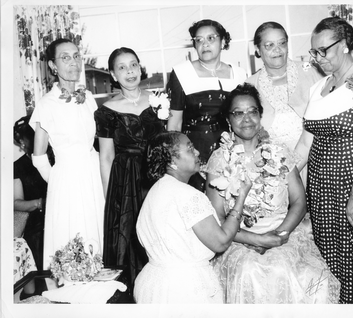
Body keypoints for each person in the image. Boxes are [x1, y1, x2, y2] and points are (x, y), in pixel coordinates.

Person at [205, 83, 340, 304]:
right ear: (228, 120)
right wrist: (257, 239)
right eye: (238, 113)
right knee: (249, 271)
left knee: (283, 269)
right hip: (238, 241)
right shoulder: (219, 160)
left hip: (283, 236)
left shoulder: (280, 152)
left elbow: (299, 202)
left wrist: (279, 236)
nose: (246, 118)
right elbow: (217, 219)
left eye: (252, 111)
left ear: (260, 116)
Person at [295, 17, 353, 304]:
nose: (318, 57)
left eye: (324, 50)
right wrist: (278, 177)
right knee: (331, 260)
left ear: (346, 44)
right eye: (314, 52)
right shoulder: (319, 87)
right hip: (323, 192)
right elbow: (304, 143)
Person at [134, 131, 252, 303]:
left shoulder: (156, 190)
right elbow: (221, 241)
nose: (197, 152)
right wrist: (240, 199)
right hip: (184, 289)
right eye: (190, 149)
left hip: (153, 283)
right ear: (172, 160)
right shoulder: (188, 195)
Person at [94, 47, 166, 294]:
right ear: (113, 75)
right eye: (122, 67)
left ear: (140, 67)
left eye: (133, 65)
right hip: (125, 183)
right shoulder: (106, 111)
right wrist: (110, 198)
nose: (129, 71)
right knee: (131, 241)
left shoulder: (158, 99)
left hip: (158, 178)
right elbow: (106, 156)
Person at [29, 38, 104, 270]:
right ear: (53, 66)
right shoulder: (46, 104)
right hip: (66, 179)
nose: (73, 62)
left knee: (97, 231)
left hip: (93, 174)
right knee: (72, 237)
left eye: (76, 56)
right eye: (65, 57)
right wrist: (58, 181)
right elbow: (39, 156)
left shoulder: (88, 98)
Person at [167, 19, 247, 191]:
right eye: (199, 40)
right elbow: (174, 123)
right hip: (195, 152)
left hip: (232, 151)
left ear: (223, 42)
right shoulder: (182, 73)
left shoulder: (240, 74)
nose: (204, 44)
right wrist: (175, 161)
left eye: (211, 38)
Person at [246, 21, 323, 152]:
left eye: (282, 43)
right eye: (269, 45)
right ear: (258, 50)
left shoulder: (312, 72)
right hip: (273, 162)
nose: (277, 49)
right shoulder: (250, 86)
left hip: (316, 155)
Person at [14, 115, 53, 271]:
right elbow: (16, 202)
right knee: (38, 238)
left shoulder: (56, 157)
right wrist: (40, 203)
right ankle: (40, 288)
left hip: (61, 211)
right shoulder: (18, 166)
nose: (22, 144)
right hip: (37, 218)